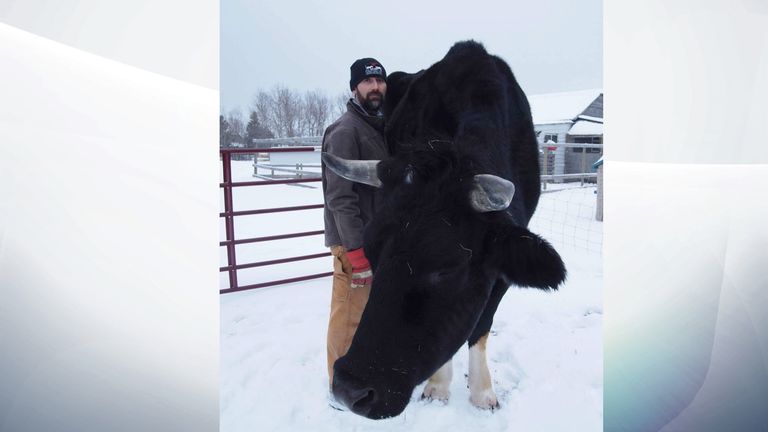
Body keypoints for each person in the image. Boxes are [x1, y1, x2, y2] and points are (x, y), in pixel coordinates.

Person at [322, 57, 388, 389]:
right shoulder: (346, 131)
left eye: (379, 81)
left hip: (376, 240)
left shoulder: (378, 126)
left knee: (369, 314)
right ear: (354, 87)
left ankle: (364, 371)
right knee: (348, 315)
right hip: (354, 243)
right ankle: (339, 384)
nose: (375, 87)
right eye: (367, 82)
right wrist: (357, 253)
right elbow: (340, 197)